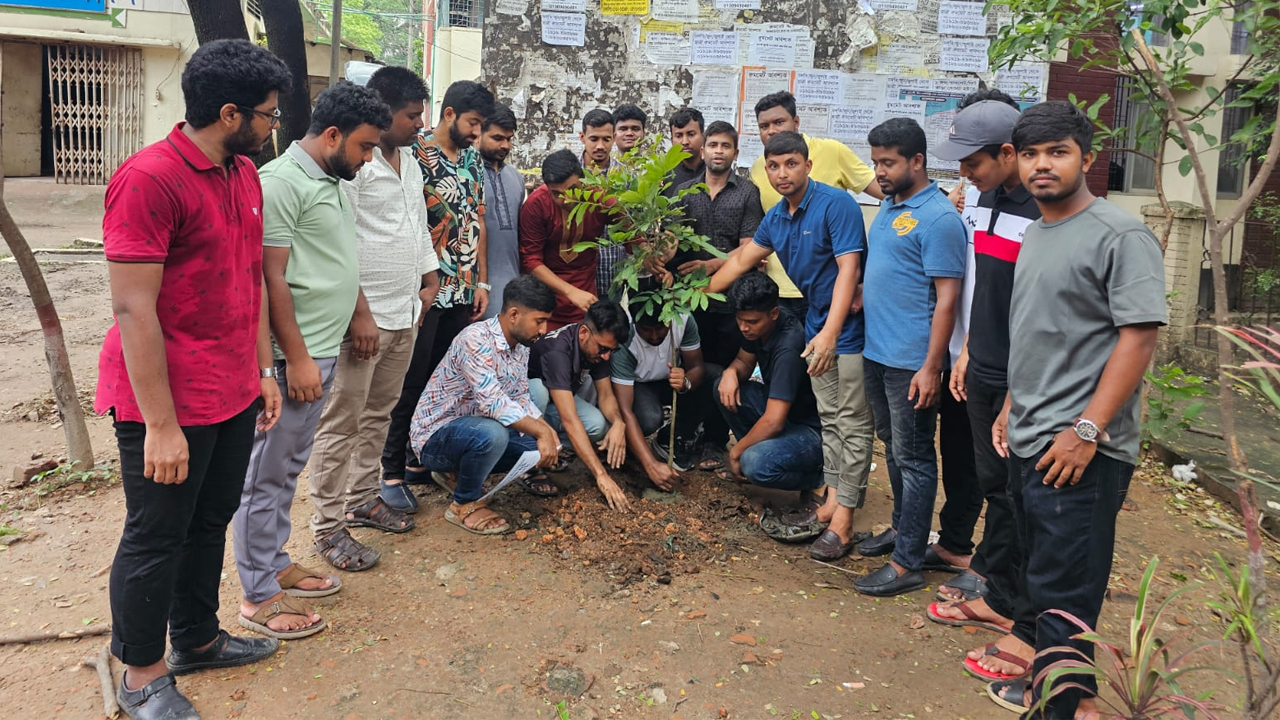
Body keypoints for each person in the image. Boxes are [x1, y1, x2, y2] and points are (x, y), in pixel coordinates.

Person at [95, 38, 290, 720]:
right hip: (167, 399)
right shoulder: (150, 180)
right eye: (267, 115)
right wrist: (161, 423)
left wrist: (264, 370)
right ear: (230, 113)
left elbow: (249, 283)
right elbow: (132, 307)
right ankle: (142, 674)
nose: (273, 127)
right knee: (156, 534)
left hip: (231, 388)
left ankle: (198, 639)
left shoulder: (243, 174)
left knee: (210, 521)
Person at [986, 101, 1165, 720]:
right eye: (1031, 153)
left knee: (1067, 587)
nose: (1042, 165)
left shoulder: (1120, 234)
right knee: (1040, 568)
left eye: (1057, 152)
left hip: (1082, 446)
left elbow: (1139, 336)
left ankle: (1066, 704)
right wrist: (1012, 403)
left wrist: (1089, 429)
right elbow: (1040, 330)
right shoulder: (1037, 231)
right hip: (1034, 434)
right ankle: (1051, 684)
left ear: (1086, 158)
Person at [231, 82, 388, 640]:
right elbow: (267, 276)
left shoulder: (329, 179)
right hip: (294, 357)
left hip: (321, 350)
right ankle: (257, 594)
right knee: (264, 476)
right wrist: (292, 360)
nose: (369, 159)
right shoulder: (281, 184)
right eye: (365, 148)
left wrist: (356, 313)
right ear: (331, 135)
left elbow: (337, 260)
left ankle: (274, 563)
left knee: (286, 471)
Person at [706, 132, 872, 563]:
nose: (782, 173)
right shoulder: (777, 217)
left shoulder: (837, 205)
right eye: (774, 166)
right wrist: (696, 294)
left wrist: (832, 333)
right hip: (819, 325)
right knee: (833, 421)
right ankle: (832, 501)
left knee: (851, 424)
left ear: (808, 166)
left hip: (847, 331)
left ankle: (843, 520)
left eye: (791, 164)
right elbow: (740, 262)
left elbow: (849, 270)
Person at [924, 92, 1043, 685]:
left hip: (1023, 375)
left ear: (1006, 152)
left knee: (1021, 490)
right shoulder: (982, 198)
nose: (963, 173)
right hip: (981, 363)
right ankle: (996, 587)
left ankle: (1019, 601)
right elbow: (984, 289)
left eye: (971, 162)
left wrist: (1018, 384)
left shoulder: (1043, 209)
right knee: (991, 479)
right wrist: (967, 350)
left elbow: (1037, 309)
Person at [306, 67, 439, 570]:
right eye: (411, 116)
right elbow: (341, 243)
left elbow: (418, 227)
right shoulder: (353, 168)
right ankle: (326, 525)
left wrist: (430, 278)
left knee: (380, 414)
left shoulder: (410, 162)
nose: (418, 124)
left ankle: (362, 498)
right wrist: (358, 311)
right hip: (363, 319)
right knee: (342, 421)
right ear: (383, 112)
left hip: (406, 309)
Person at [853, 118, 966, 597]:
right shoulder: (892, 205)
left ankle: (908, 563)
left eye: (889, 162)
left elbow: (948, 299)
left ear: (917, 161)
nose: (879, 171)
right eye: (876, 161)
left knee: (915, 456)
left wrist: (930, 366)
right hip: (878, 351)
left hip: (910, 362)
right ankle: (902, 530)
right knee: (894, 448)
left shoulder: (939, 218)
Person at [380, 80, 496, 490]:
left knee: (445, 379)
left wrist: (481, 280)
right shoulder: (415, 155)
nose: (477, 133)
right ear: (450, 114)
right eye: (473, 123)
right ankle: (391, 471)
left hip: (463, 289)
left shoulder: (474, 161)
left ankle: (419, 458)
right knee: (411, 379)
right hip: (427, 288)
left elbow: (478, 220)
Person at [409, 276, 563, 534]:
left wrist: (546, 431)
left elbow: (520, 396)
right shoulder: (476, 339)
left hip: (474, 431)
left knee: (541, 447)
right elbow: (494, 403)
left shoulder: (521, 345)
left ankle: (458, 472)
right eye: (540, 321)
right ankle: (463, 503)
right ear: (514, 314)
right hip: (434, 438)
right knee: (494, 434)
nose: (544, 329)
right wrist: (541, 431)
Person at [672, 120, 764, 471]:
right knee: (693, 370)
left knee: (726, 370)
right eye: (713, 145)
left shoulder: (747, 193)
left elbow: (748, 250)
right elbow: (673, 243)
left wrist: (710, 265)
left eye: (726, 146)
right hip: (690, 301)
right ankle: (686, 435)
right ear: (703, 149)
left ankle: (714, 440)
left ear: (735, 153)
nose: (718, 152)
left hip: (728, 304)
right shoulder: (685, 192)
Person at [749, 91, 885, 322]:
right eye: (764, 126)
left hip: (833, 293)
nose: (771, 130)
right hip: (780, 289)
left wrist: (931, 199)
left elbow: (887, 193)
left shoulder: (833, 151)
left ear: (796, 122)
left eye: (779, 122)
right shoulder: (758, 168)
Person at [715, 273, 825, 503]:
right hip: (782, 414)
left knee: (755, 464)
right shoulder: (758, 326)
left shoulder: (789, 346)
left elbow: (774, 421)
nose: (744, 328)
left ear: (773, 314)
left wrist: (736, 453)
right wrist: (730, 372)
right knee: (722, 387)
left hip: (811, 431)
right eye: (740, 320)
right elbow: (744, 362)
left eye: (752, 322)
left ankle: (819, 479)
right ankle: (757, 454)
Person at [528, 300, 633, 511]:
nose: (606, 356)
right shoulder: (557, 351)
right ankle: (529, 463)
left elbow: (605, 396)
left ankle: (556, 451)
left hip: (555, 399)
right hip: (525, 403)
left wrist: (619, 423)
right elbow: (569, 418)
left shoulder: (597, 348)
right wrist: (601, 475)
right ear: (584, 332)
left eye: (611, 351)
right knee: (538, 389)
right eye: (602, 348)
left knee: (599, 425)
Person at [610, 298, 711, 487]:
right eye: (646, 330)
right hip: (638, 386)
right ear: (635, 322)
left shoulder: (683, 318)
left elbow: (697, 367)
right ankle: (632, 448)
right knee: (648, 418)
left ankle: (670, 439)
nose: (655, 336)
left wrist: (686, 381)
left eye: (661, 328)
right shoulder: (625, 336)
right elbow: (625, 410)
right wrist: (651, 465)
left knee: (714, 379)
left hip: (671, 380)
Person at [520, 150, 606, 329]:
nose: (566, 199)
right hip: (546, 303)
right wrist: (570, 292)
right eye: (557, 194)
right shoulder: (536, 205)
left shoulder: (598, 197)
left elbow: (631, 233)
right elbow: (530, 261)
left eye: (573, 189)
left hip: (585, 299)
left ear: (582, 180)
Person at [479, 104, 524, 318]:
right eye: (497, 138)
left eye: (509, 139)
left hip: (512, 286)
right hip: (475, 288)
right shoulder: (466, 174)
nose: (505, 145)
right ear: (478, 132)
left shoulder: (516, 178)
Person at [579, 108, 625, 299]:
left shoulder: (626, 177)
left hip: (614, 270)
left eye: (606, 139)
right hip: (577, 270)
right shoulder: (571, 176)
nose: (600, 146)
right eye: (593, 139)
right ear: (582, 137)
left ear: (614, 138)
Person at [668, 108, 706, 191]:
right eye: (679, 136)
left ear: (703, 137)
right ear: (672, 140)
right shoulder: (665, 175)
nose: (685, 142)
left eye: (691, 134)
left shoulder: (714, 170)